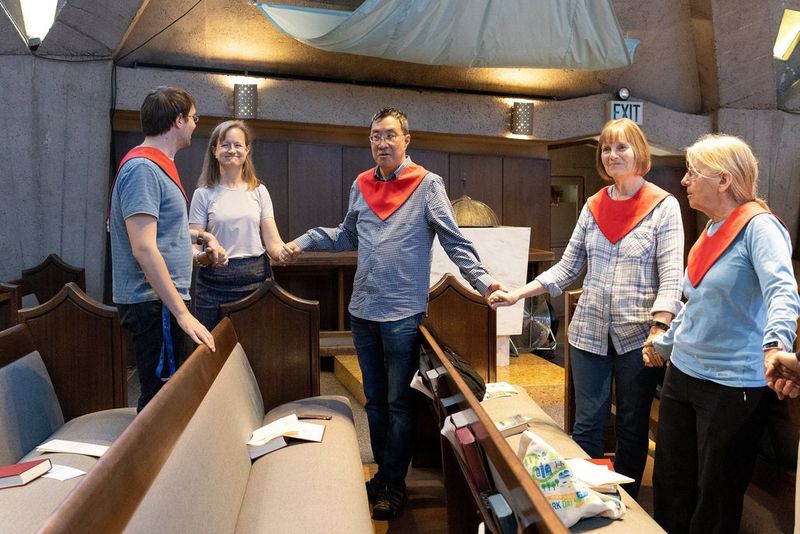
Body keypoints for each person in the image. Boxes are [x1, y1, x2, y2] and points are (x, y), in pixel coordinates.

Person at [283, 107, 502, 520]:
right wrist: (308, 239)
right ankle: (383, 473)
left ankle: (393, 483)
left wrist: (485, 283)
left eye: (389, 136)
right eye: (374, 137)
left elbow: (455, 242)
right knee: (376, 401)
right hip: (363, 310)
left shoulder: (427, 185)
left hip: (402, 314)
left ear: (406, 140)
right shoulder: (361, 184)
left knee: (400, 403)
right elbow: (348, 234)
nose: (381, 143)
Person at [489, 118, 684, 499]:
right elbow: (567, 267)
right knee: (586, 425)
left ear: (639, 152)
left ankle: (623, 504)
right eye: (606, 149)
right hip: (589, 333)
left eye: (621, 147)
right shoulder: (595, 205)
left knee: (631, 426)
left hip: (638, 338)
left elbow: (672, 275)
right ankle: (583, 500)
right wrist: (518, 293)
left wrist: (659, 329)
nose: (612, 155)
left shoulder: (664, 207)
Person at [646, 134, 800, 534]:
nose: (684, 181)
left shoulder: (759, 227)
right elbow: (696, 303)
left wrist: (776, 345)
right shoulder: (713, 228)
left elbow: (782, 290)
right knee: (671, 486)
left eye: (694, 172)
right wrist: (664, 343)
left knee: (713, 500)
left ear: (724, 181)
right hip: (684, 373)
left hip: (732, 385)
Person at [110, 86, 225, 412]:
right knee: (162, 407)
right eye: (193, 118)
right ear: (178, 120)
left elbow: (165, 241)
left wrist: (201, 250)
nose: (194, 124)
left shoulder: (158, 166)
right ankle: (150, 464)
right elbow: (144, 249)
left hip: (162, 301)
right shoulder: (142, 169)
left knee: (172, 400)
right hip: (154, 303)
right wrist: (182, 313)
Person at [189, 120, 287, 331]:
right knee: (210, 353)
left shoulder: (260, 191)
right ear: (214, 151)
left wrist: (284, 253)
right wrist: (206, 257)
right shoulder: (203, 194)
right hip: (213, 283)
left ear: (247, 150)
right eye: (225, 145)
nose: (231, 150)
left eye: (237, 145)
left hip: (256, 281)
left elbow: (273, 243)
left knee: (255, 350)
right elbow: (193, 248)